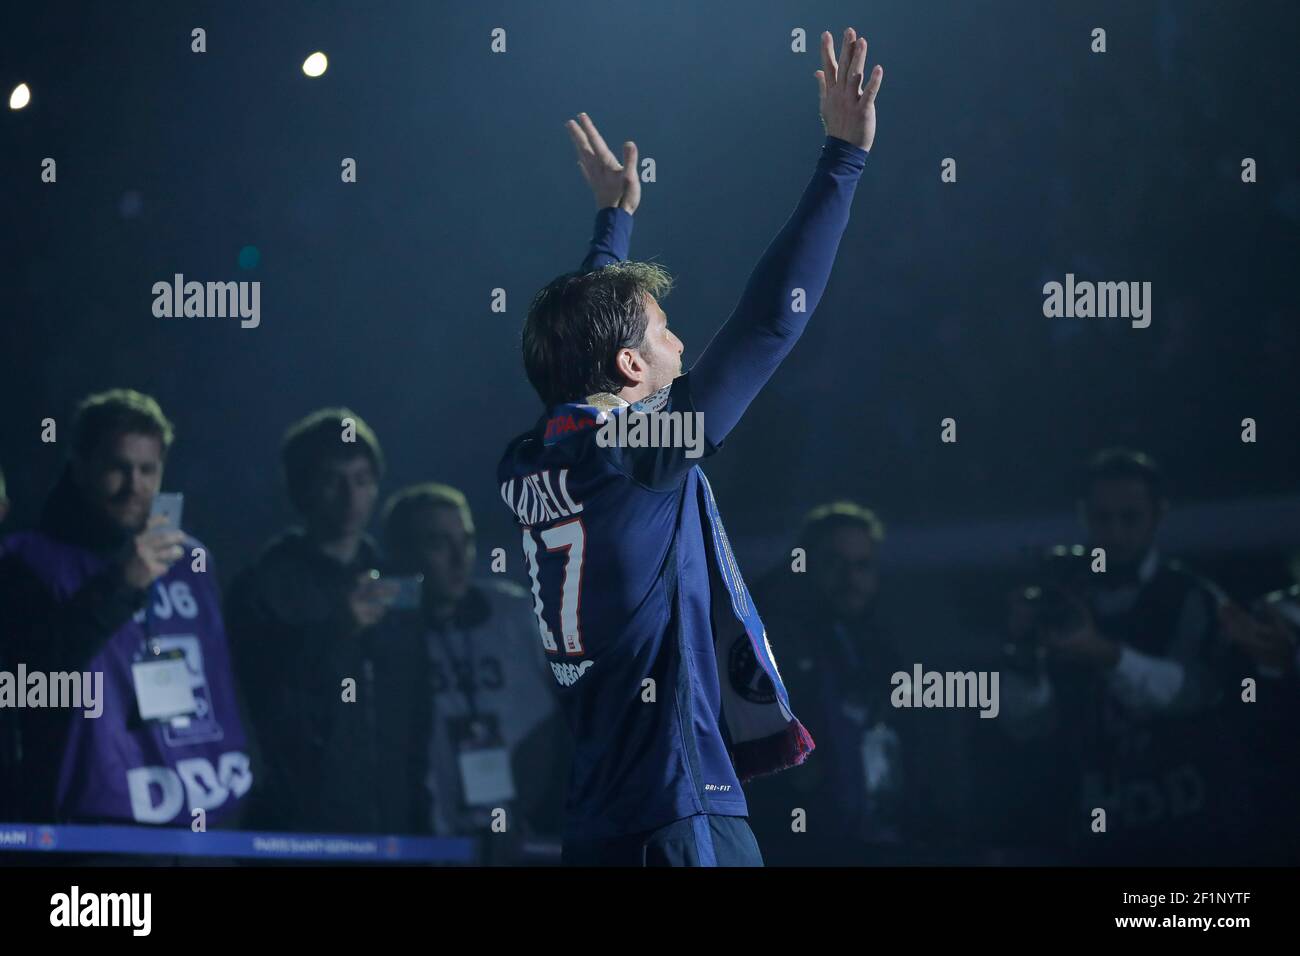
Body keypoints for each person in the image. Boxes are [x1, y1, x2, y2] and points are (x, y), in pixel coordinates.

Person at [497, 28, 883, 866]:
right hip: (678, 816)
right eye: (667, 334)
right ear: (634, 365)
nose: (684, 347)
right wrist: (843, 159)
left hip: (600, 819)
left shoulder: (536, 457)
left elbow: (582, 361)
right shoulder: (640, 453)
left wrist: (614, 225)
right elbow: (771, 323)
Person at [0, 389, 252, 826]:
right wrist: (120, 585)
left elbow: (223, 680)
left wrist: (251, 777)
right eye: (117, 469)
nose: (134, 486)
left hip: (206, 814)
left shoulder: (191, 559)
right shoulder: (27, 559)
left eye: (147, 470)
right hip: (99, 826)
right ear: (79, 467)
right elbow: (30, 679)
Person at [997, 448, 1243, 863]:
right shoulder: (1065, 597)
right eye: (1101, 518)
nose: (1114, 533)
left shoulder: (1192, 599)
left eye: (1130, 518)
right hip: (1093, 832)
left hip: (1186, 829)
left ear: (1158, 515)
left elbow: (1192, 693)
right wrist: (1022, 650)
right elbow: (1025, 725)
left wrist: (1104, 654)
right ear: (1082, 516)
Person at [225, 407, 424, 835]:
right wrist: (336, 630)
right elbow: (255, 691)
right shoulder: (264, 584)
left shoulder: (398, 582)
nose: (350, 495)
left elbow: (418, 703)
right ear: (302, 488)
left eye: (362, 479)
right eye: (333, 480)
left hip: (394, 823)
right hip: (298, 827)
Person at [378, 483, 565, 860]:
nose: (459, 556)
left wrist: (521, 811)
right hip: (421, 837)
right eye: (437, 543)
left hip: (512, 831)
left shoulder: (511, 613)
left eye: (466, 539)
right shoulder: (384, 633)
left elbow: (548, 727)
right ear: (402, 554)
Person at [746, 502, 926, 864]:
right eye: (834, 563)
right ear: (806, 564)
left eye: (862, 565)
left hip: (887, 841)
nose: (850, 578)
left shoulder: (889, 643)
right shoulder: (773, 642)